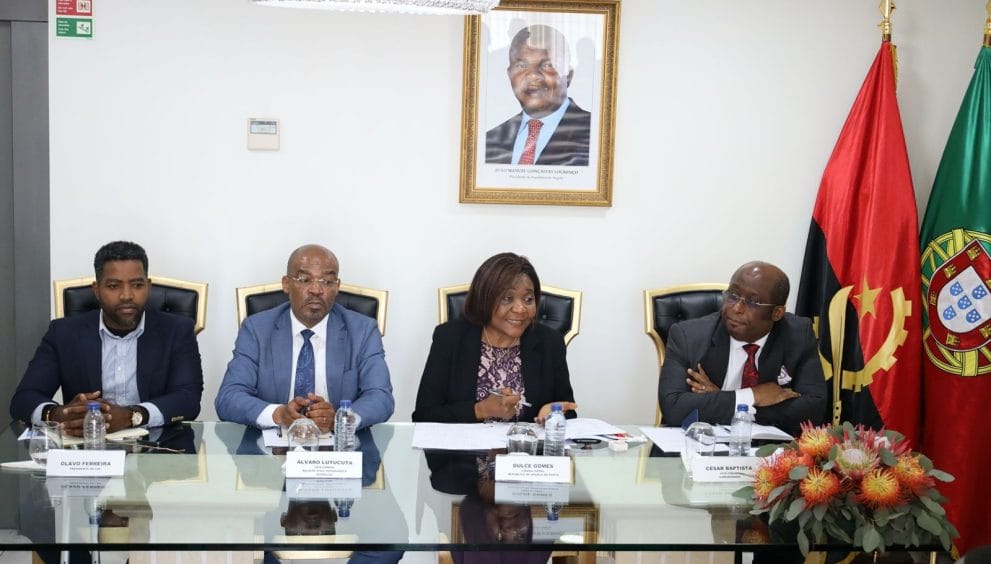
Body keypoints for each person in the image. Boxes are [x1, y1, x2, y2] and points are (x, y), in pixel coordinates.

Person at [9, 241, 203, 437]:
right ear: (97, 290)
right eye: (113, 286)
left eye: (137, 285)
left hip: (156, 447)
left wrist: (132, 416)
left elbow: (188, 399)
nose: (126, 296)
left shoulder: (177, 331)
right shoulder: (63, 333)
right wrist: (59, 414)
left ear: (148, 286)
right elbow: (24, 399)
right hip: (86, 446)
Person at [216, 244, 394, 432]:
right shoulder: (257, 329)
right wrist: (278, 414)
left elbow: (381, 397)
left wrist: (341, 420)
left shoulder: (363, 330)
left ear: (337, 287)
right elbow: (228, 397)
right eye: (304, 280)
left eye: (327, 281)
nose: (316, 290)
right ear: (286, 284)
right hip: (271, 444)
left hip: (339, 444)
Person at [658, 261, 826, 436]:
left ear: (777, 313)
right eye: (733, 295)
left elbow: (814, 409)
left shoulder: (798, 335)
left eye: (753, 302)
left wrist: (730, 402)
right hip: (700, 444)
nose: (736, 308)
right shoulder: (689, 336)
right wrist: (753, 396)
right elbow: (674, 408)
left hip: (769, 448)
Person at [412, 252, 576, 424]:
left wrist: (553, 413)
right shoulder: (450, 338)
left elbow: (569, 410)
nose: (520, 309)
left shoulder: (550, 342)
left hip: (525, 442)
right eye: (508, 298)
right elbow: (423, 416)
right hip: (466, 442)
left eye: (528, 299)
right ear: (484, 300)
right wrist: (481, 410)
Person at [485, 25, 591, 167]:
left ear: (569, 75)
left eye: (548, 65)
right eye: (522, 66)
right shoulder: (490, 141)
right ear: (509, 75)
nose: (533, 75)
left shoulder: (595, 135)